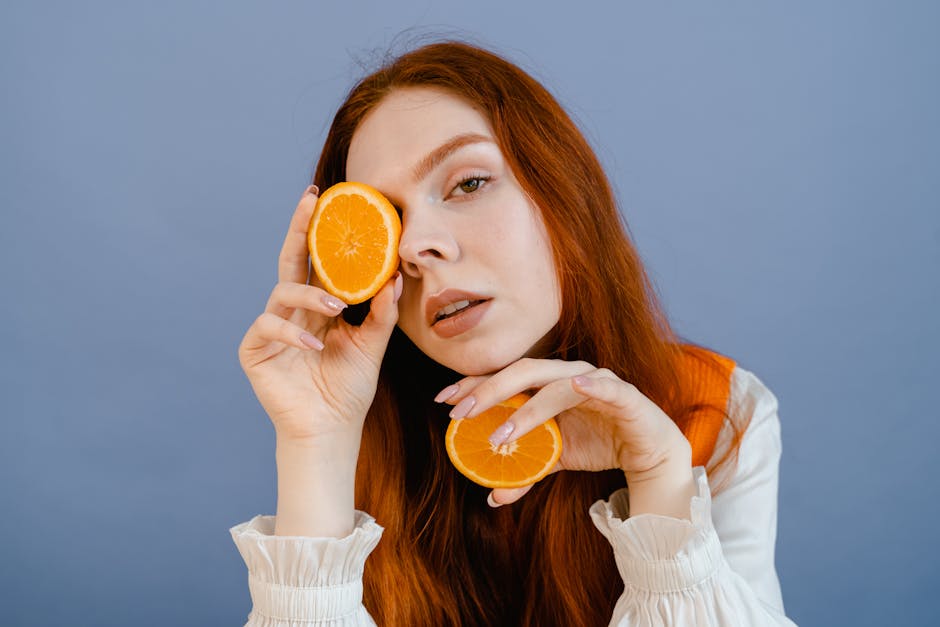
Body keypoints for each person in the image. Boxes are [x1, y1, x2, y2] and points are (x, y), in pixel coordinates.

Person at [231, 41, 798, 627]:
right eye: (387, 220)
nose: (415, 246)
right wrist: (316, 446)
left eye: (468, 183)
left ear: (561, 188)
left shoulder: (716, 411)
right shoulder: (366, 434)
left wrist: (658, 482)